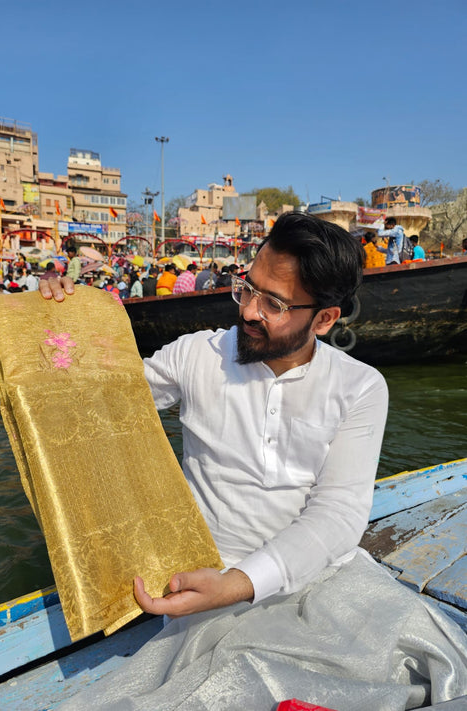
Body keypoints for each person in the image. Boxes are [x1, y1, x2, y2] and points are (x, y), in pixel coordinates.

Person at [39, 214, 467, 708]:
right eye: (248, 289)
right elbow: (95, 399)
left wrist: (239, 586)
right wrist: (63, 316)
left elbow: (338, 516)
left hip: (322, 576)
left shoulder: (360, 386)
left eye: (275, 303)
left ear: (324, 319)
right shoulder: (196, 355)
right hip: (207, 585)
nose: (249, 311)